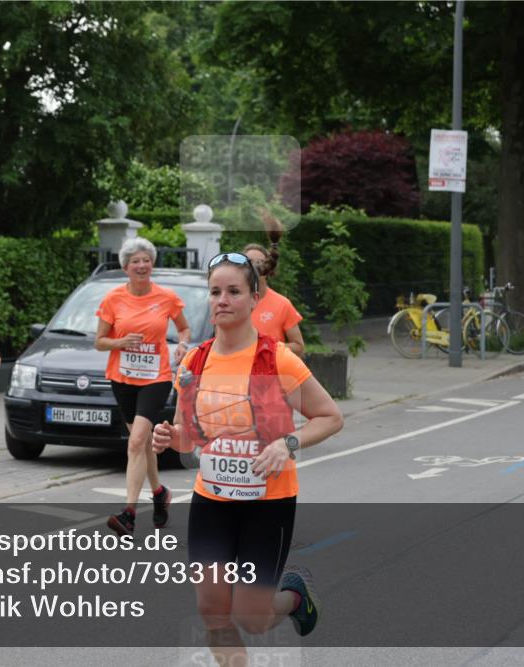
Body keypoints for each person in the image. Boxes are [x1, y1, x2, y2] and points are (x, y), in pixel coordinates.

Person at [152, 252, 343, 664]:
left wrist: (287, 444)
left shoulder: (278, 360)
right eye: (215, 291)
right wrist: (170, 437)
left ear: (255, 298)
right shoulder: (194, 362)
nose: (222, 299)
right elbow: (191, 439)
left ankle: (295, 598)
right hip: (212, 501)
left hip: (266, 504)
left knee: (251, 618)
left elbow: (330, 417)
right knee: (212, 610)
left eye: (234, 291)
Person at [96, 238, 191, 536]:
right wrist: (119, 342)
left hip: (156, 377)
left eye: (146, 260)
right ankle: (159, 492)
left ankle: (129, 513)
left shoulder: (166, 297)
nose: (142, 265)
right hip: (122, 379)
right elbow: (99, 342)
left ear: (152, 264)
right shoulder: (112, 299)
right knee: (143, 443)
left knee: (137, 441)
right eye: (135, 261)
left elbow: (184, 327)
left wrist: (183, 345)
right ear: (125, 267)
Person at [242, 211, 305, 357]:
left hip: (271, 376)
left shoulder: (282, 304)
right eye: (248, 262)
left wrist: (268, 346)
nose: (254, 267)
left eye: (259, 262)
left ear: (269, 267)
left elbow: (299, 348)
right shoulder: (233, 303)